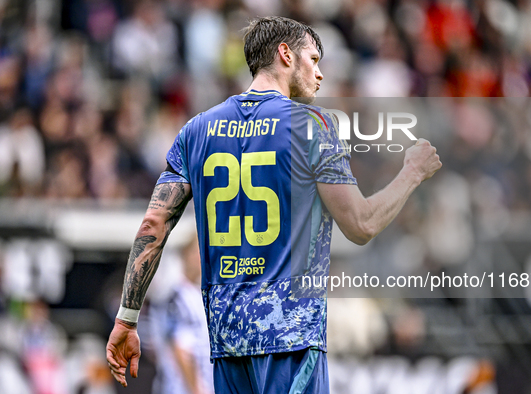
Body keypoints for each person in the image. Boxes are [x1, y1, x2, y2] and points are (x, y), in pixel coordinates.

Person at [106, 16, 441, 393]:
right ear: (285, 54)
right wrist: (411, 173)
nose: (320, 74)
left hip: (227, 344)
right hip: (290, 340)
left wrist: (127, 319)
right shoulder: (313, 125)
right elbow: (360, 224)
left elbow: (153, 224)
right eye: (313, 59)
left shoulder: (197, 130)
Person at [148, 236, 213, 394]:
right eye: (200, 252)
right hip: (180, 388)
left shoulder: (198, 293)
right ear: (186, 255)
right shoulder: (175, 296)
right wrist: (196, 389)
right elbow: (181, 347)